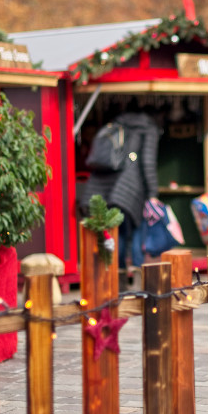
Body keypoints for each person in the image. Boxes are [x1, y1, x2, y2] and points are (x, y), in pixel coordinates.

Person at [80, 110, 161, 284]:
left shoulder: (117, 125)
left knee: (113, 233)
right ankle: (139, 283)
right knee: (135, 231)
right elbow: (147, 162)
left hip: (103, 187)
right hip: (128, 188)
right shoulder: (148, 129)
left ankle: (118, 282)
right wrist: (153, 193)